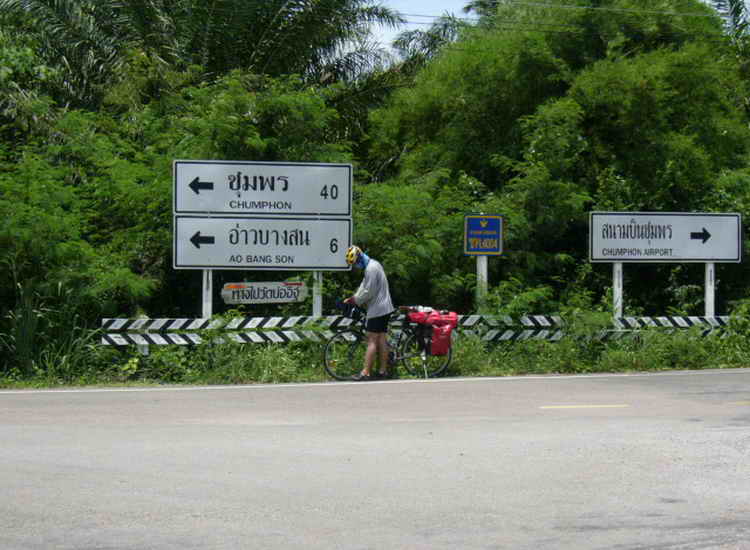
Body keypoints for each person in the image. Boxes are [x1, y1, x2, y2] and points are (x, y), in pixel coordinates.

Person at [344, 245, 394, 381]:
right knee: (382, 338)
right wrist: (354, 297)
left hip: (378, 309)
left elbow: (368, 291)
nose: (356, 266)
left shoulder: (371, 269)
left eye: (355, 263)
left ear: (359, 257)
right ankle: (383, 371)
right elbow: (364, 286)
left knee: (371, 340)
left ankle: (365, 372)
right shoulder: (373, 265)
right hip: (385, 307)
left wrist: (355, 300)